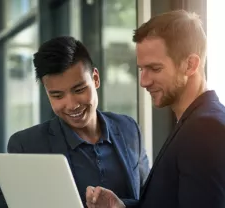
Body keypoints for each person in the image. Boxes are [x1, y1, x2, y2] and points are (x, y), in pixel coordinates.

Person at [0, 36, 150, 208]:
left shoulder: (128, 129)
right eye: (57, 95)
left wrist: (123, 205)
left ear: (95, 78)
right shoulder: (29, 146)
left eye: (79, 89)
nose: (71, 105)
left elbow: (150, 199)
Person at [86, 10, 225, 208]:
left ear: (190, 65)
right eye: (142, 69)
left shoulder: (204, 129)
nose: (144, 81)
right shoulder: (194, 121)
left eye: (155, 69)